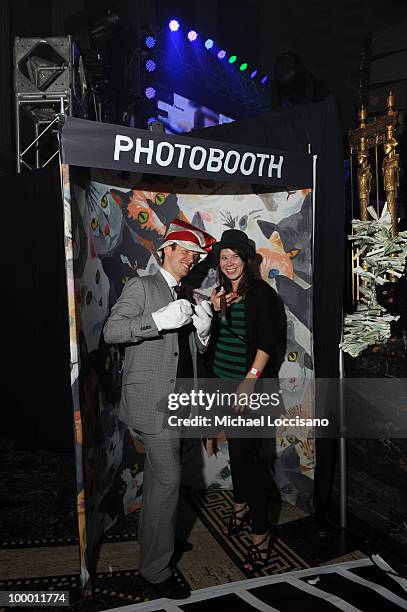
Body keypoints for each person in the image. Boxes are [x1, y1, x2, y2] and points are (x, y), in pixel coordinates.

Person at [103, 219, 215, 599]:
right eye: (184, 250)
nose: (191, 257)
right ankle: (154, 571)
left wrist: (202, 336)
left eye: (196, 254)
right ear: (165, 250)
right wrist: (156, 320)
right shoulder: (144, 286)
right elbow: (112, 331)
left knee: (158, 482)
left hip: (182, 401)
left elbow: (184, 354)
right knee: (168, 482)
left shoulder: (188, 293)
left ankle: (157, 539)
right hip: (154, 403)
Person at [208, 229, 287, 571]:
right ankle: (239, 508)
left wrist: (249, 383)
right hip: (222, 385)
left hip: (248, 390)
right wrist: (214, 311)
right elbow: (214, 340)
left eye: (234, 257)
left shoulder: (262, 296)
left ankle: (260, 536)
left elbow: (267, 344)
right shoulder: (222, 294)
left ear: (247, 259)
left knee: (250, 463)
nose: (228, 263)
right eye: (223, 258)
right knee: (238, 456)